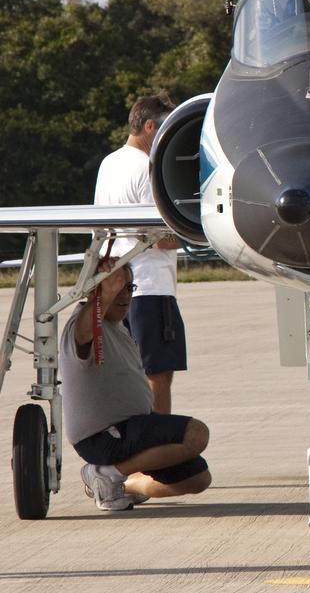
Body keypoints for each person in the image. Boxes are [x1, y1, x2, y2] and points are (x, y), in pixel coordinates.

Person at [61, 260, 211, 512]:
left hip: (131, 430)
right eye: (114, 288)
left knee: (198, 479)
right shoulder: (83, 326)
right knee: (196, 434)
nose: (125, 296)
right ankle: (105, 473)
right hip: (105, 436)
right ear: (92, 291)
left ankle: (121, 484)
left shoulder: (117, 326)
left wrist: (109, 290)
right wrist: (104, 294)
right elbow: (85, 333)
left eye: (129, 288)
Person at [95, 93, 185, 413]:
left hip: (114, 283)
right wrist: (196, 235)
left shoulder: (108, 164)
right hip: (149, 287)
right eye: (163, 128)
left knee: (123, 374)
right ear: (149, 126)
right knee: (158, 374)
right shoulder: (147, 167)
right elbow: (159, 237)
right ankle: (158, 450)